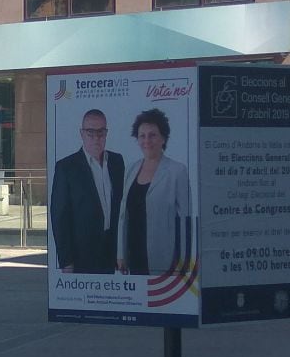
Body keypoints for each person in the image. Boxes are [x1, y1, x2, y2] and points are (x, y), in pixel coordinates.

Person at [117, 107, 191, 276]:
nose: (147, 140)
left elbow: (184, 221)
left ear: (163, 138)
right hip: (133, 256)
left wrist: (183, 261)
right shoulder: (131, 170)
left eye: (152, 135)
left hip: (164, 258)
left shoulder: (177, 171)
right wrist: (120, 254)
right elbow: (123, 216)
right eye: (142, 136)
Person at [49, 108, 124, 274]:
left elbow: (121, 207)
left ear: (106, 133)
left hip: (112, 251)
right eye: (90, 132)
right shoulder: (66, 167)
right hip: (82, 254)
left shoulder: (117, 162)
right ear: (82, 134)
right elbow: (59, 217)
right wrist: (66, 261)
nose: (96, 138)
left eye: (101, 132)